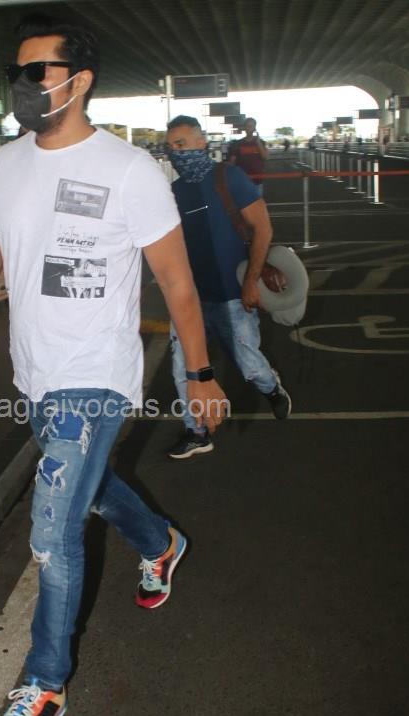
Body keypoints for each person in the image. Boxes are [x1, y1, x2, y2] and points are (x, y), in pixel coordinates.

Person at [0, 14, 226, 716]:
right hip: (36, 372)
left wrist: (198, 374)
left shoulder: (129, 171)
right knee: (89, 490)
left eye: (38, 72)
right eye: (19, 72)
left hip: (96, 375)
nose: (24, 85)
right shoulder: (5, 165)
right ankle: (160, 540)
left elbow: (177, 282)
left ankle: (44, 683)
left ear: (80, 81)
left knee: (52, 528)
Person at [165, 115, 291, 459]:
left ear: (202, 142)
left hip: (232, 295)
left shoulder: (229, 177)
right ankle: (197, 432)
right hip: (191, 299)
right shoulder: (176, 191)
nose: (177, 152)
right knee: (183, 369)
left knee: (250, 366)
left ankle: (272, 388)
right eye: (171, 147)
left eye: (182, 144)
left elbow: (263, 229)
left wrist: (250, 282)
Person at [228, 117, 268, 192]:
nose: (249, 128)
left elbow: (265, 157)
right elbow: (232, 163)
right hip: (242, 180)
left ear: (254, 128)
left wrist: (258, 142)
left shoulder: (261, 142)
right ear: (244, 128)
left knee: (257, 199)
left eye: (251, 126)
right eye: (247, 126)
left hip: (257, 180)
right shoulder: (237, 144)